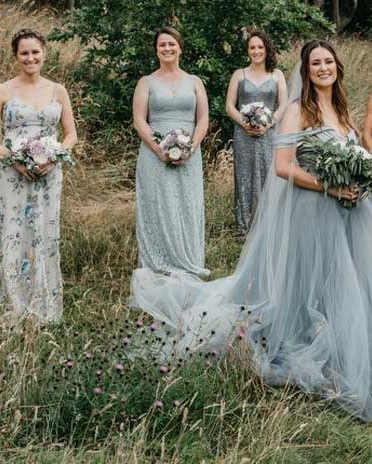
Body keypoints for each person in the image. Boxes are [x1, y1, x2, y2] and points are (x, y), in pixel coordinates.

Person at [131, 40, 372, 422]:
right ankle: (305, 342)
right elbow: (282, 166)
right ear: (306, 72)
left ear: (338, 67)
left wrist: (357, 179)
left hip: (349, 210)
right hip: (314, 210)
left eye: (328, 62)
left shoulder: (342, 111)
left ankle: (343, 341)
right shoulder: (297, 110)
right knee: (312, 280)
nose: (323, 68)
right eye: (315, 64)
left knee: (345, 279)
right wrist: (329, 186)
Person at [0, 28, 77, 323]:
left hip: (48, 174)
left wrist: (55, 155)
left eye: (35, 52)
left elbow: (71, 134)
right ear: (15, 56)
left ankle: (43, 306)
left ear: (44, 53)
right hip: (11, 175)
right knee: (13, 233)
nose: (30, 58)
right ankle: (13, 306)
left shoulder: (58, 90)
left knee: (43, 234)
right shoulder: (3, 90)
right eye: (24, 53)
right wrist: (13, 160)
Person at [132, 27, 209, 276]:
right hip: (154, 154)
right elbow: (139, 120)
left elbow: (204, 119)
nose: (167, 49)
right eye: (162, 45)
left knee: (187, 205)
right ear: (156, 50)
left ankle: (188, 260)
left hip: (189, 153)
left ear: (180, 47)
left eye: (171, 44)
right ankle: (158, 262)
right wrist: (158, 148)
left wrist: (190, 147)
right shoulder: (146, 82)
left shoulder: (195, 82)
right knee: (158, 204)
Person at [225, 30, 287, 235]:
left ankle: (268, 224)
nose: (256, 51)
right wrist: (245, 123)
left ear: (267, 49)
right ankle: (245, 225)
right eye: (252, 47)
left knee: (268, 173)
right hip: (244, 134)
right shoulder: (239, 74)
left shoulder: (276, 75)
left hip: (269, 133)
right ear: (248, 51)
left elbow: (284, 105)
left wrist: (268, 124)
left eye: (260, 47)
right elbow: (229, 106)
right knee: (245, 175)